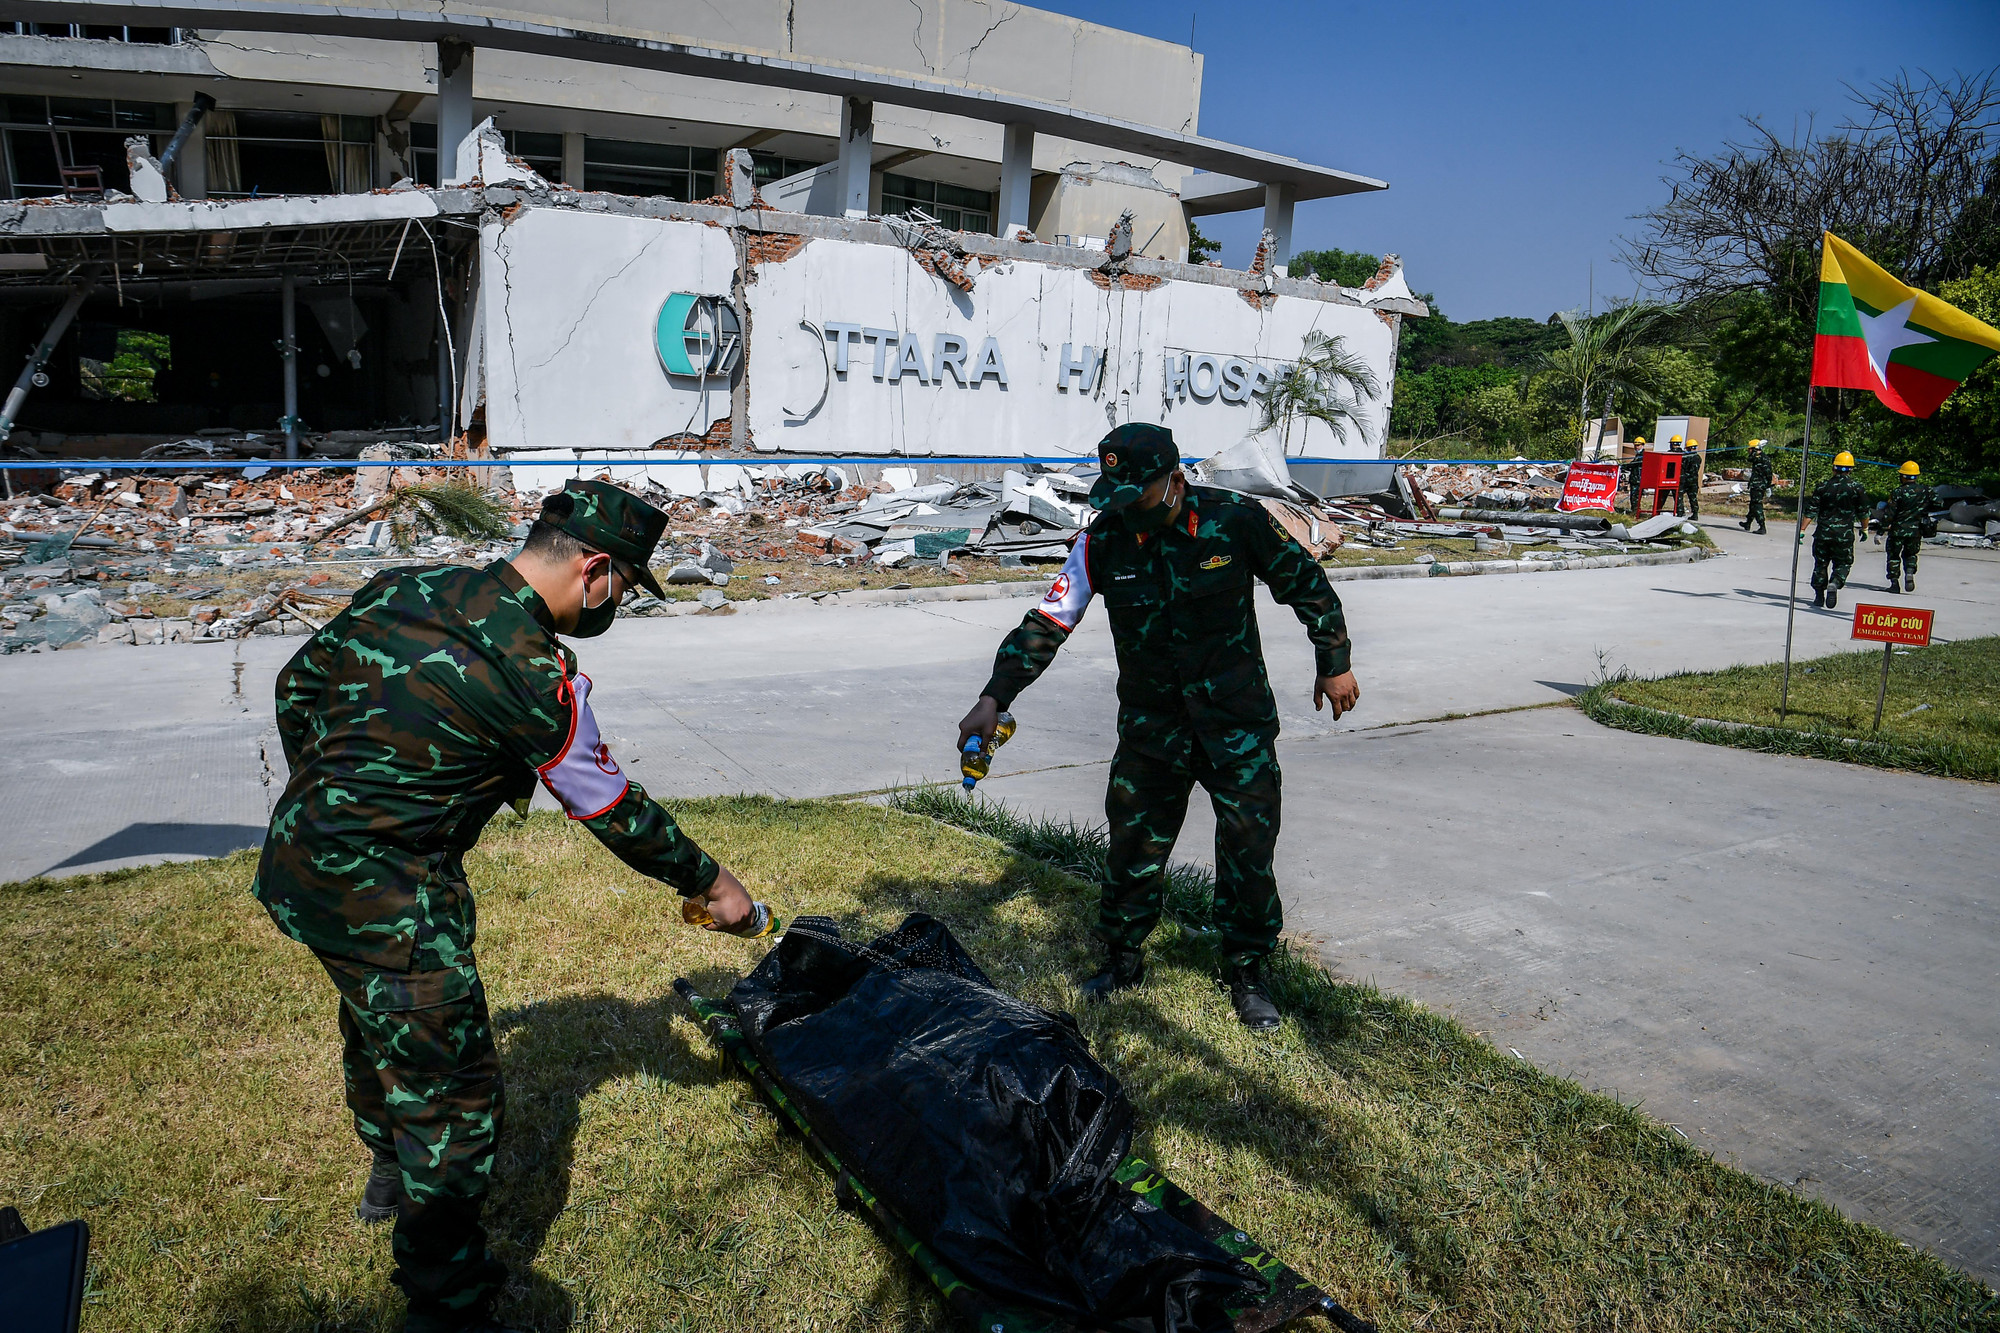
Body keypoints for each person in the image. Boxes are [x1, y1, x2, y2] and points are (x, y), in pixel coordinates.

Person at [251, 480, 759, 1333]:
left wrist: (332, 791)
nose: (619, 604)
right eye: (626, 588)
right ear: (594, 569)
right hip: (394, 895)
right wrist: (712, 884)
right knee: (452, 1095)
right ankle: (447, 1300)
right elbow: (608, 805)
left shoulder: (410, 586)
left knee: (373, 1014)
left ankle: (385, 1163)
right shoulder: (531, 670)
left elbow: (297, 685)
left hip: (300, 862)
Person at [956, 423, 1359, 1032]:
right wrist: (995, 695)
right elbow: (1048, 620)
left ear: (1174, 481)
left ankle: (1247, 971)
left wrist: (1334, 663)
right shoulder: (1104, 539)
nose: (1127, 510)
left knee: (1248, 848)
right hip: (1152, 728)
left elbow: (1305, 584)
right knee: (1133, 846)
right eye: (1114, 495)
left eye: (1136, 495)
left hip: (1236, 723)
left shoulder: (1235, 519)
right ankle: (1122, 957)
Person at [1808, 451, 1869, 609]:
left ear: (1833, 468)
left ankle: (1819, 596)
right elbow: (1864, 512)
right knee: (1843, 563)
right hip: (1844, 535)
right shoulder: (1856, 488)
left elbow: (1811, 510)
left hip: (1823, 533)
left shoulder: (1823, 486)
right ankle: (1835, 582)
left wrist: (1802, 530)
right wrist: (1865, 529)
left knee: (1820, 564)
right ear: (1851, 469)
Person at [1882, 460, 1936, 593]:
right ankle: (1910, 572)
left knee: (1894, 556)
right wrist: (1923, 510)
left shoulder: (1898, 492)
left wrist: (1880, 530)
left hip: (1897, 531)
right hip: (1916, 531)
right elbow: (1938, 503)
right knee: (1911, 554)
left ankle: (1894, 584)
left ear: (1903, 476)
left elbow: (1890, 513)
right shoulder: (1926, 490)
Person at [1739, 440, 1773, 534]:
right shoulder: (1761, 457)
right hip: (1757, 485)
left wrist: (1768, 486)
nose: (1748, 451)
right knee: (1753, 505)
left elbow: (1750, 459)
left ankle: (1762, 526)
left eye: (1750, 449)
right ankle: (1748, 523)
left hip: (1758, 485)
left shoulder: (1760, 457)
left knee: (1757, 505)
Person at [1676, 436, 1702, 519]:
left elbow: (1690, 470)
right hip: (1692, 481)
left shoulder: (1691, 458)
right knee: (1692, 498)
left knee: (1681, 496)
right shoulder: (1696, 458)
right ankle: (1693, 513)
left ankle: (1684, 512)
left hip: (1687, 481)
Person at [1624, 437, 1646, 514]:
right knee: (1633, 497)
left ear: (1643, 445)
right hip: (1635, 479)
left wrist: (1625, 466)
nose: (1636, 447)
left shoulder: (1643, 455)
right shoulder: (1638, 455)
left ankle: (1636, 512)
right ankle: (1635, 511)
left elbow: (1634, 464)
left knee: (1635, 497)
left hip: (1638, 480)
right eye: (1635, 445)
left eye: (1638, 445)